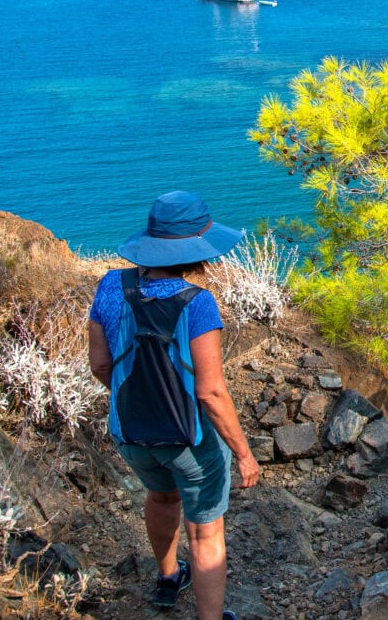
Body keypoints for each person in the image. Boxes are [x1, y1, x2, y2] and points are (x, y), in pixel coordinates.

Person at [88, 191, 260, 620]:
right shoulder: (197, 303)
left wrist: (139, 399)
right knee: (205, 533)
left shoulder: (111, 285)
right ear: (195, 248)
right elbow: (210, 393)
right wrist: (243, 453)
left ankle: (168, 577)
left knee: (162, 496)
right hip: (189, 440)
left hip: (129, 432)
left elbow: (100, 364)